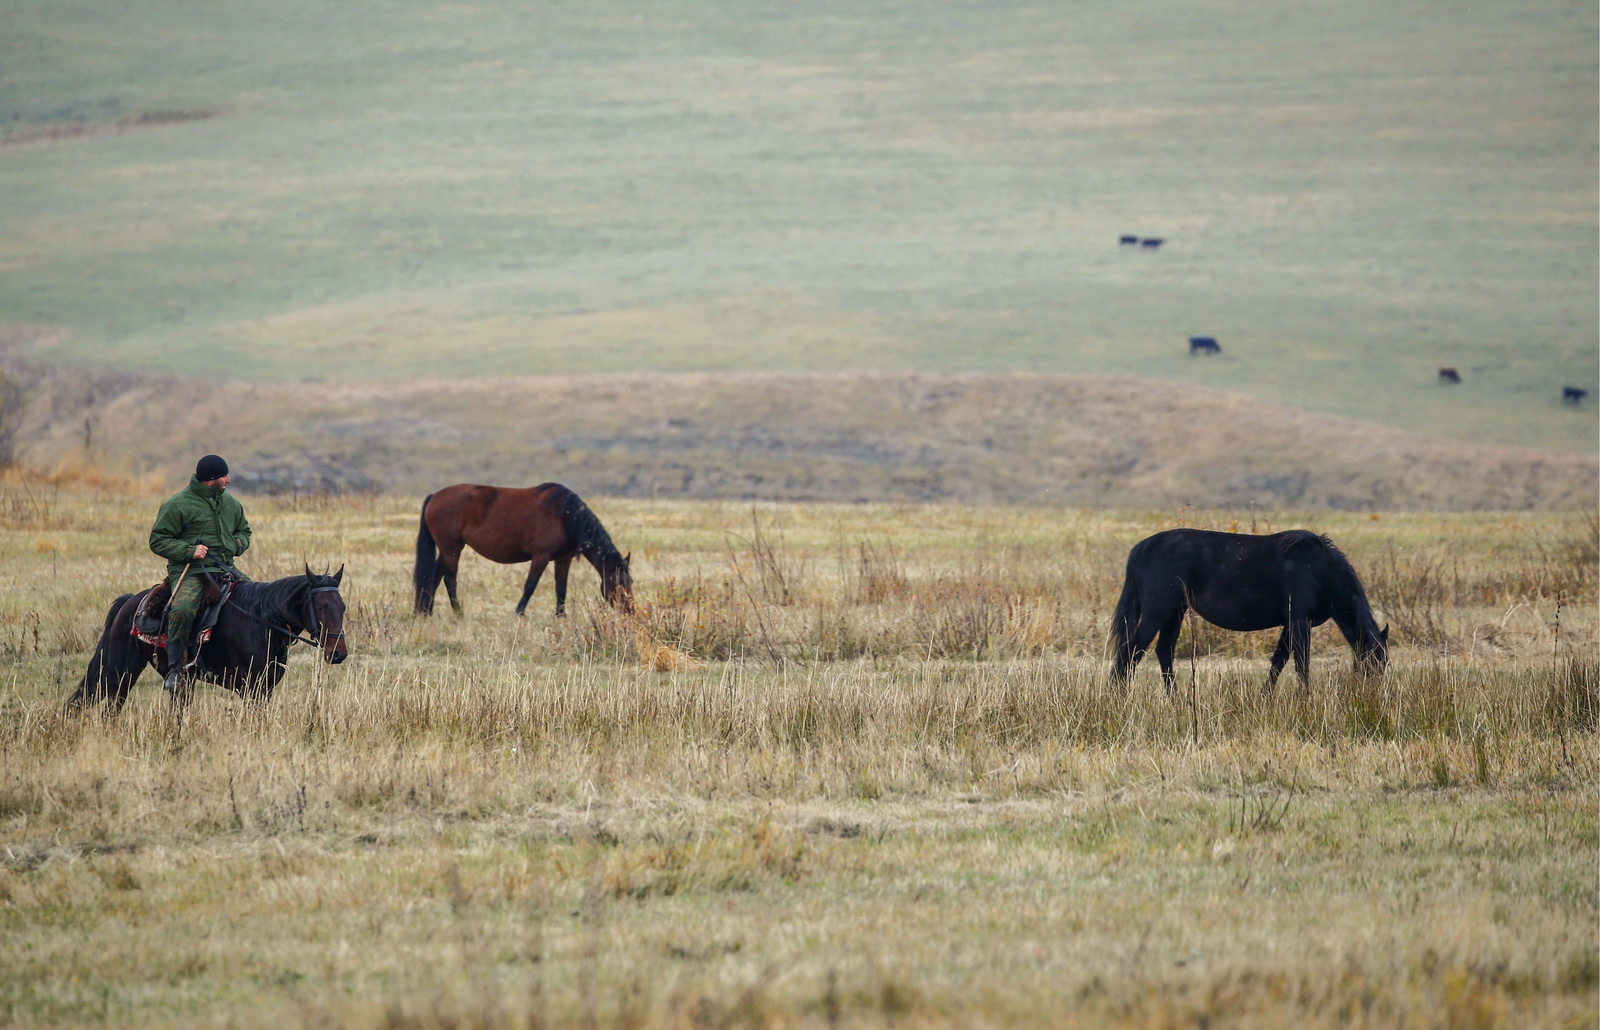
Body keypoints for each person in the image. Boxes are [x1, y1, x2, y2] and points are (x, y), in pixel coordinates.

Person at [149, 454, 252, 692]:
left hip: (225, 568)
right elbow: (158, 540)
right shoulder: (177, 504)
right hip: (190, 571)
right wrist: (189, 551)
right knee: (183, 610)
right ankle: (175, 671)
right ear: (211, 479)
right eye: (225, 475)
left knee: (259, 599)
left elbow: (244, 532)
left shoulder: (232, 504)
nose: (229, 479)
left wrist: (236, 545)